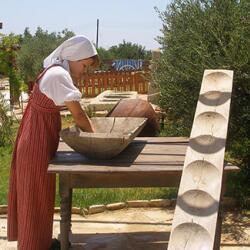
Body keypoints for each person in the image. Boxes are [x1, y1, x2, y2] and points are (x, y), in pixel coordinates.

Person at [7, 35, 99, 250]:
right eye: (84, 65)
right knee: (34, 197)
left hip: (38, 135)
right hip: (35, 140)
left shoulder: (57, 71)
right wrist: (95, 137)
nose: (84, 70)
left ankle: (39, 243)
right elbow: (78, 114)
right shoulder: (58, 75)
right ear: (74, 58)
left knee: (39, 195)